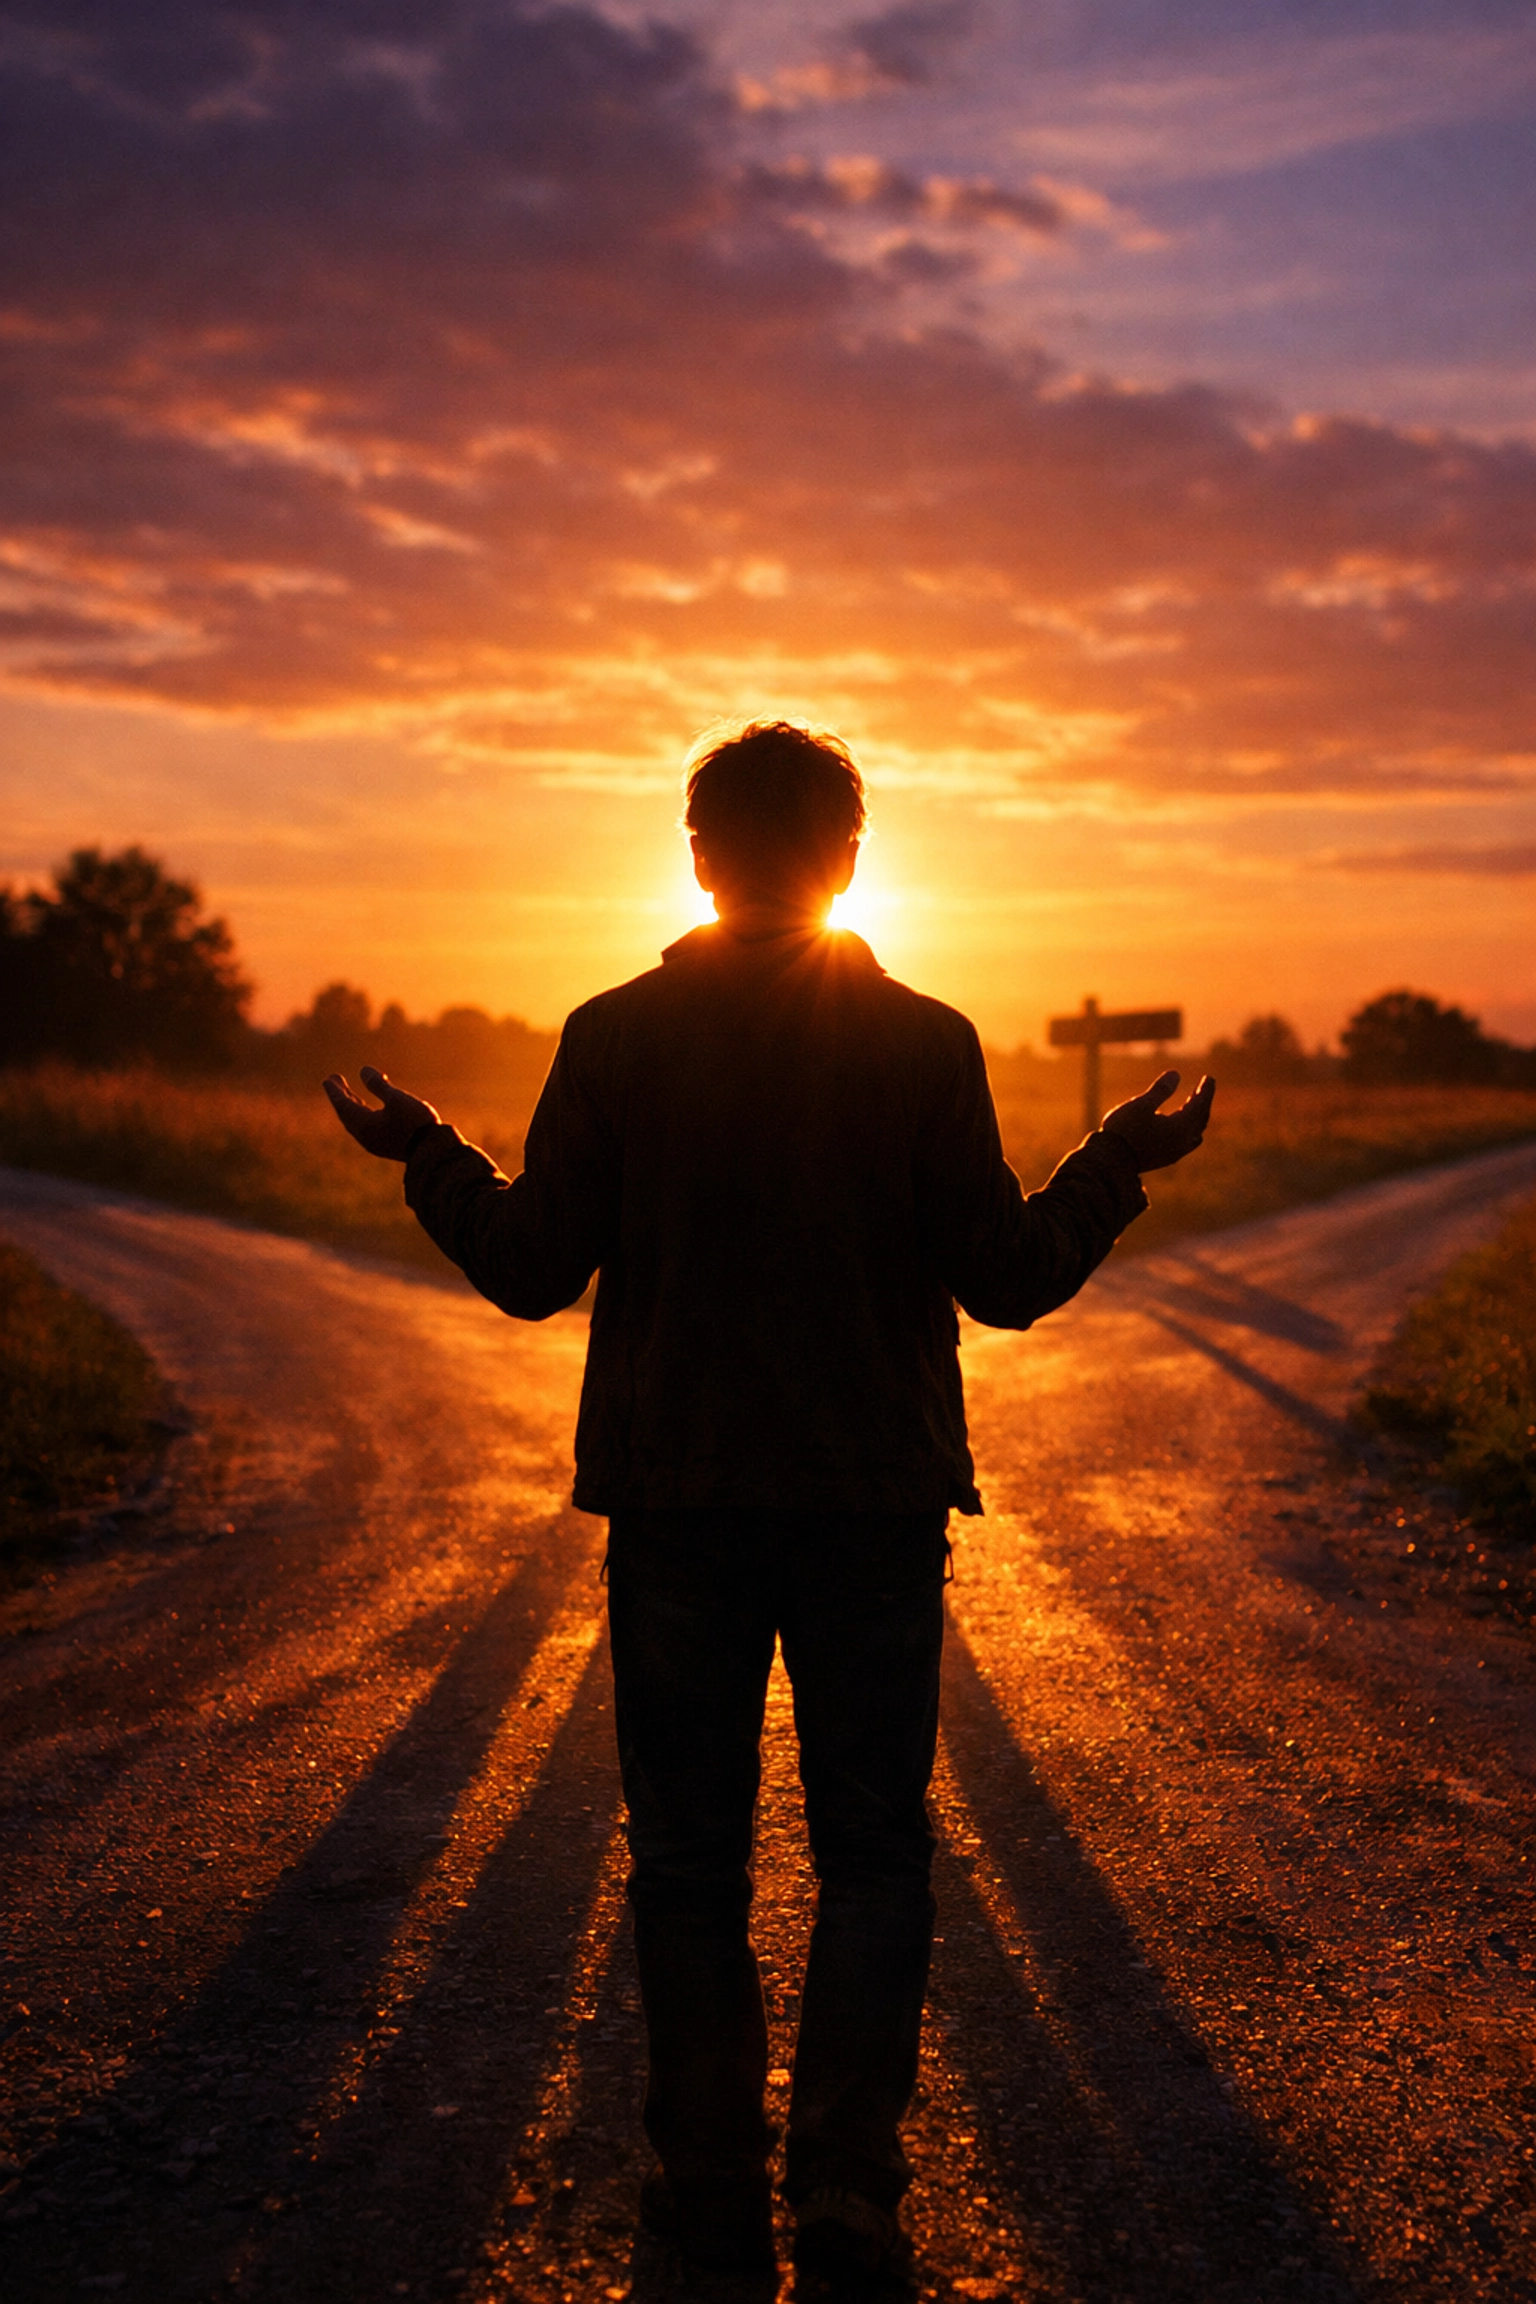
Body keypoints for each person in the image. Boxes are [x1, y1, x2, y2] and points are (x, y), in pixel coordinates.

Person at [324, 721, 1214, 2289]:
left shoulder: (614, 1037)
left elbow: (532, 1271)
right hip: (874, 1507)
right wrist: (1118, 1160)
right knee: (875, 1856)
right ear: (849, 860)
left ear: (698, 858)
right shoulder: (925, 1043)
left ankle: (715, 2196)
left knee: (686, 1861)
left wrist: (427, 1153)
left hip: (678, 1506)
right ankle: (850, 2201)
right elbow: (1006, 1282)